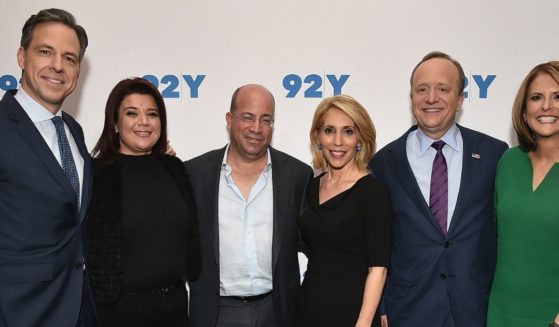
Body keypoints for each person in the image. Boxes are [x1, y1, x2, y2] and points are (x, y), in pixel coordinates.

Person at [370, 51, 508, 327]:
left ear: (460, 99)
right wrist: (383, 307)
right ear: (412, 98)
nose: (431, 98)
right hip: (408, 311)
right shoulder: (385, 162)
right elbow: (377, 243)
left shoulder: (494, 155)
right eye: (422, 89)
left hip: (475, 310)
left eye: (443, 89)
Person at [184, 84, 313, 327]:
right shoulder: (194, 174)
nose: (256, 128)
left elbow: (317, 242)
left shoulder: (297, 175)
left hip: (277, 312)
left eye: (266, 120)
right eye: (247, 117)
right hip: (216, 313)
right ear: (229, 119)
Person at [0, 8, 96, 327]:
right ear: (21, 56)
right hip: (20, 311)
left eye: (69, 58)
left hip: (79, 308)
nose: (58, 65)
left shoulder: (73, 130)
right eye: (45, 52)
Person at [86, 77, 200, 326]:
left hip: (176, 308)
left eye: (152, 114)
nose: (144, 122)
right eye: (131, 113)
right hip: (120, 313)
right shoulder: (96, 173)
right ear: (115, 123)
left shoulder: (174, 168)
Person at [296, 95, 392, 327]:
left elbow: (378, 269)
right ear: (317, 137)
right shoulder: (310, 186)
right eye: (329, 130)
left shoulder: (373, 192)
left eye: (348, 131)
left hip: (352, 314)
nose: (337, 141)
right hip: (307, 309)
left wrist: (364, 323)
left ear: (360, 139)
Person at [487, 61, 559, 327]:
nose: (546, 106)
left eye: (557, 96)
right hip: (500, 312)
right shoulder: (509, 162)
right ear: (525, 109)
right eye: (536, 97)